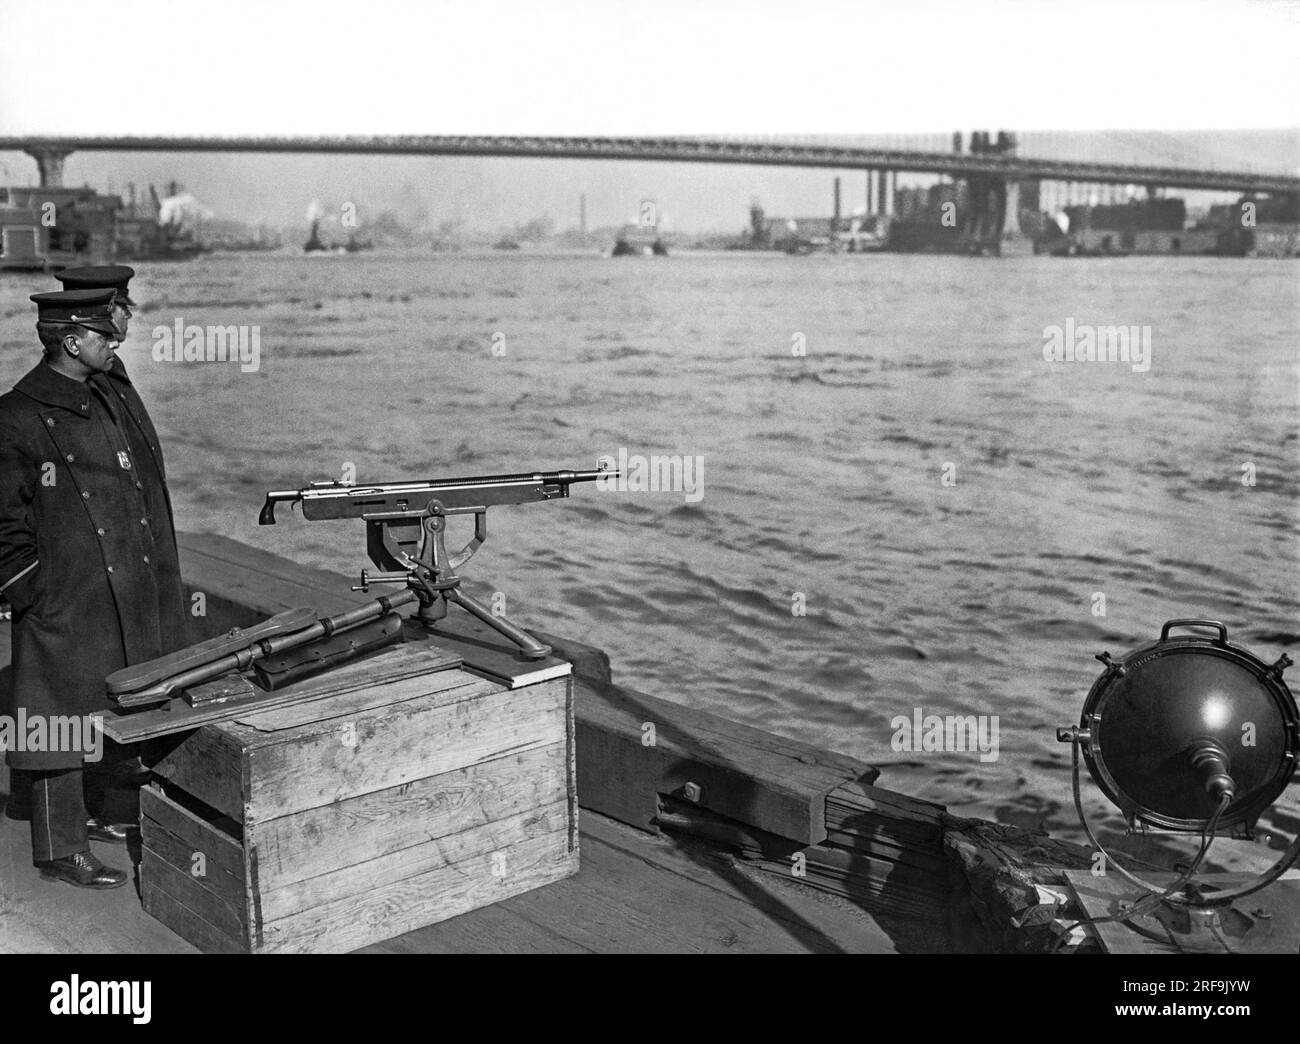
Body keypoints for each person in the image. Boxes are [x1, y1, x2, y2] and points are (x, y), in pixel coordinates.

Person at [0, 287, 187, 888]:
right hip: (65, 595)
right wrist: (34, 594)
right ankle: (58, 848)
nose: (118, 341)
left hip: (122, 581)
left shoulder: (106, 392)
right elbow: (5, 527)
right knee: (58, 713)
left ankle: (109, 813)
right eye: (105, 335)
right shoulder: (16, 417)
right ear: (72, 341)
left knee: (121, 699)